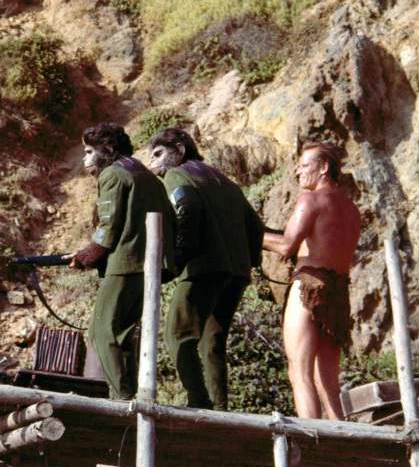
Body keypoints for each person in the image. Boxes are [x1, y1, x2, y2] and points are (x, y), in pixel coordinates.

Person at [148, 128, 264, 410]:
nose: (154, 164)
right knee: (212, 341)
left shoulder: (178, 175)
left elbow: (186, 207)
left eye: (158, 154)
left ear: (180, 148)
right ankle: (220, 408)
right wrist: (250, 260)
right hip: (236, 272)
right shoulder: (224, 180)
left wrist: (177, 259)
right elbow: (256, 225)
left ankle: (198, 401)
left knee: (177, 334)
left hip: (202, 268)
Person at [70, 123, 175, 400]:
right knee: (127, 336)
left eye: (90, 151)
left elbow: (107, 228)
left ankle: (121, 399)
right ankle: (132, 398)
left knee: (101, 334)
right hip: (148, 269)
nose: (85, 159)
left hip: (123, 264)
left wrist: (85, 257)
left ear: (108, 149)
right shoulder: (149, 177)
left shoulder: (113, 174)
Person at [262, 142, 360, 420]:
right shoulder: (351, 209)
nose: (298, 171)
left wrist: (250, 233)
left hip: (310, 283)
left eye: (305, 165)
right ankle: (344, 444)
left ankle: (310, 441)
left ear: (324, 168)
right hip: (339, 290)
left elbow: (286, 246)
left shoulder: (311, 200)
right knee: (328, 381)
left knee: (300, 372)